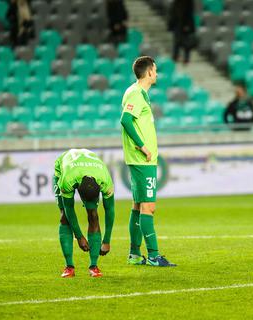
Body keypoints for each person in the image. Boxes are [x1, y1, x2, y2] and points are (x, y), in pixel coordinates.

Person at [120, 56, 176, 267]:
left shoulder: (136, 92)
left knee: (137, 206)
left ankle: (135, 254)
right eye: (156, 69)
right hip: (142, 160)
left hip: (138, 160)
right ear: (150, 72)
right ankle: (153, 255)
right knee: (148, 207)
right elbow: (125, 119)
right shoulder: (136, 93)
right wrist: (143, 146)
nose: (157, 73)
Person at [54, 148, 115, 278]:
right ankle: (69, 267)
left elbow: (110, 210)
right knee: (64, 216)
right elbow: (69, 209)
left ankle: (94, 266)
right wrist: (79, 236)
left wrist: (107, 240)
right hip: (64, 166)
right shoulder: (68, 180)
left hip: (90, 167)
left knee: (93, 215)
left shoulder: (105, 180)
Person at [168, 0, 196, 64]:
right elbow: (173, 12)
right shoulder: (176, 2)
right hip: (177, 24)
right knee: (176, 41)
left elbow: (190, 13)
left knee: (186, 42)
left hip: (185, 25)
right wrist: (171, 24)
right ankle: (175, 56)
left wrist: (187, 25)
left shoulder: (189, 1)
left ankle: (186, 58)